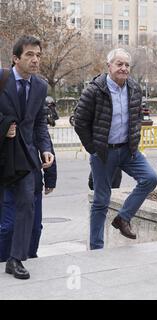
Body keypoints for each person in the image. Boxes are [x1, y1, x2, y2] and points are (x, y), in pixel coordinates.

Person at [74, 48, 157, 250]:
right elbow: (79, 121)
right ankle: (96, 247)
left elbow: (137, 116)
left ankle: (123, 218)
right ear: (109, 66)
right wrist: (93, 148)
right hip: (103, 152)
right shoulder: (94, 90)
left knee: (150, 179)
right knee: (101, 200)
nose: (123, 68)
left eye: (127, 65)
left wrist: (134, 140)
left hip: (128, 151)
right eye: (119, 64)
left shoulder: (134, 88)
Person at [0, 35, 54, 280]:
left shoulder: (41, 86)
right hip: (2, 154)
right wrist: (3, 126)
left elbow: (39, 122)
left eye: (38, 55)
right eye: (30, 55)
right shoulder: (1, 79)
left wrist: (45, 148)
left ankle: (16, 259)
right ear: (15, 58)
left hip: (26, 157)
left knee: (26, 205)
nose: (35, 60)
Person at [0, 142, 57, 262]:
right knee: (8, 227)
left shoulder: (34, 124)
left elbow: (45, 141)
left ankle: (30, 258)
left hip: (32, 183)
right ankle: (4, 259)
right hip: (7, 183)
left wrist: (50, 177)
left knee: (35, 227)